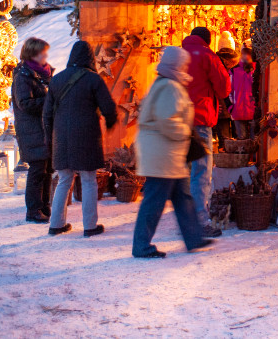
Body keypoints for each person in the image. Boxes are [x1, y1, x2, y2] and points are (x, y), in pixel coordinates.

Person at [132, 47, 212, 258]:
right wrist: (186, 133)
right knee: (154, 201)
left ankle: (194, 238)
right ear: (177, 64)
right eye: (183, 64)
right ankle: (141, 246)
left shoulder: (165, 82)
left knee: (183, 198)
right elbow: (167, 120)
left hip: (168, 155)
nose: (186, 67)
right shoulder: (170, 86)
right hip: (163, 155)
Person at [44, 41, 117, 237]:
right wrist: (110, 123)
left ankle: (56, 224)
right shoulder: (93, 80)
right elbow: (108, 108)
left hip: (61, 137)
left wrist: (49, 138)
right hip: (86, 136)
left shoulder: (56, 80)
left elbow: (47, 113)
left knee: (64, 179)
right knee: (88, 180)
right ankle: (90, 226)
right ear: (90, 58)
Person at [181, 27, 231, 238]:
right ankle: (200, 221)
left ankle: (185, 219)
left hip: (176, 121)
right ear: (208, 41)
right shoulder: (208, 56)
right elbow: (224, 89)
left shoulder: (178, 54)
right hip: (199, 120)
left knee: (181, 172)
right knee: (201, 173)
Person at [12, 37, 54, 224]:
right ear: (32, 54)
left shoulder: (44, 74)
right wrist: (50, 101)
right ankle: (33, 210)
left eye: (45, 52)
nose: (45, 55)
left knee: (46, 169)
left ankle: (44, 206)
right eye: (41, 52)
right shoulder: (23, 76)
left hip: (45, 129)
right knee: (38, 169)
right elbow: (25, 104)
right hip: (32, 130)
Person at [229, 47, 257, 139]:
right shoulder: (234, 70)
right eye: (244, 54)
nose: (246, 56)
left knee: (254, 140)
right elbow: (229, 89)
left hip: (253, 109)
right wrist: (231, 106)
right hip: (238, 109)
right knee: (242, 139)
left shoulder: (256, 70)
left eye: (248, 54)